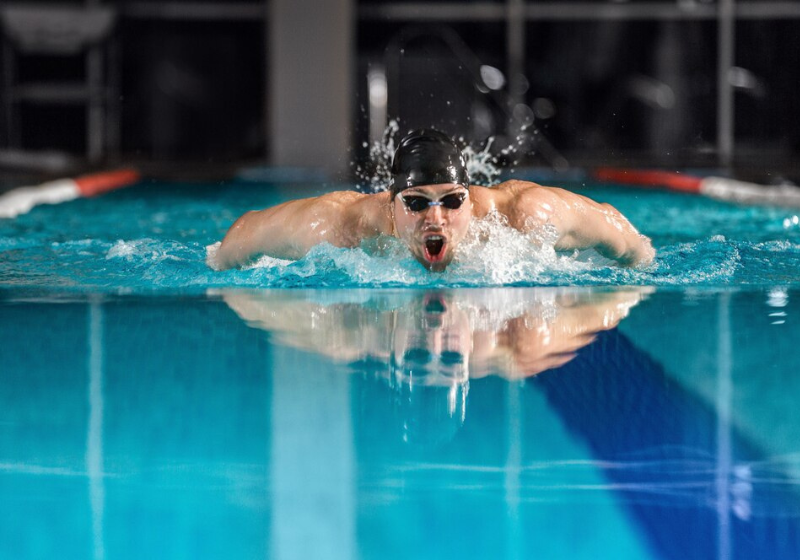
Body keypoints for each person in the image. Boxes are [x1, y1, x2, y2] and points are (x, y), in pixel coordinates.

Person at [215, 129, 655, 271]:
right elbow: (240, 237)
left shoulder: (524, 216)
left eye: (451, 201)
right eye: (416, 203)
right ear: (391, 205)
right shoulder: (340, 226)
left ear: (470, 200)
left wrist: (640, 267)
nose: (436, 218)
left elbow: (626, 239)